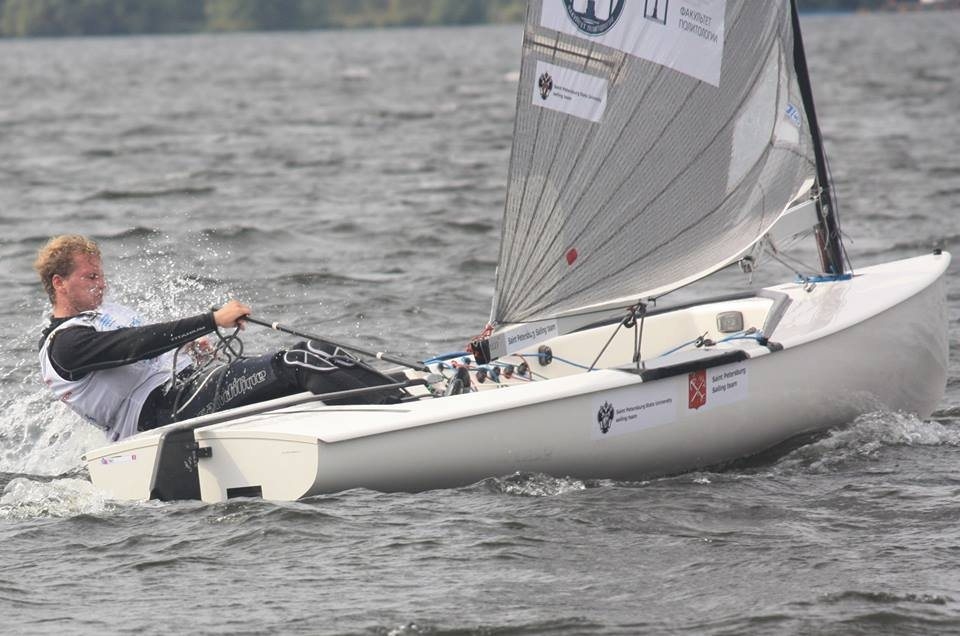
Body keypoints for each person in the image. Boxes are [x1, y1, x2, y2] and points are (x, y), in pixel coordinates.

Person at [35, 235, 402, 442]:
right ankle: (396, 422)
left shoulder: (104, 314)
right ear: (59, 283)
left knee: (315, 350)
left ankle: (403, 401)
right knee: (296, 362)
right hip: (159, 417)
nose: (101, 285)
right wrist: (210, 321)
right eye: (90, 278)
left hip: (184, 391)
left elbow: (143, 347)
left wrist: (188, 348)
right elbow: (134, 345)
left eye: (101, 276)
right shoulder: (63, 346)